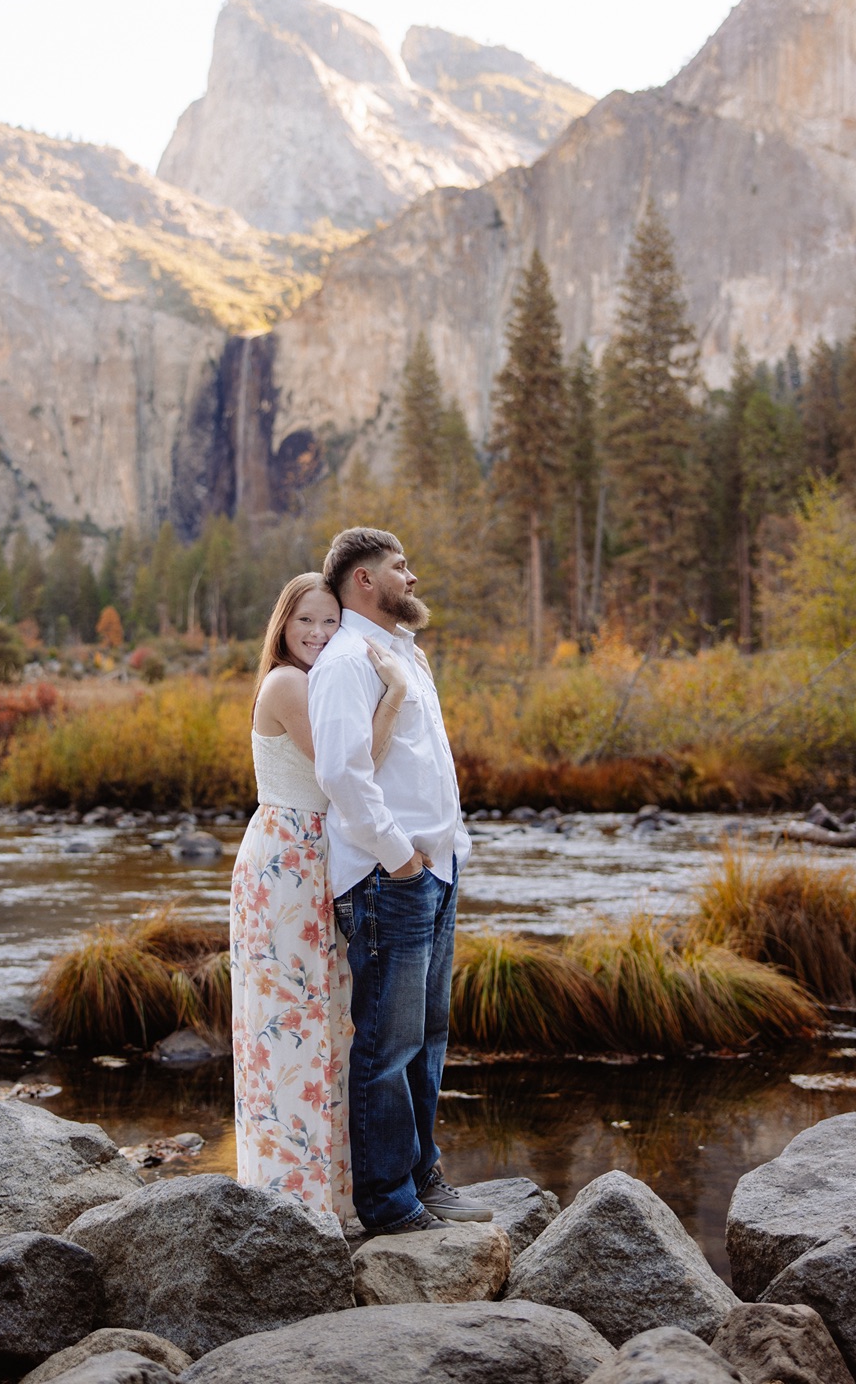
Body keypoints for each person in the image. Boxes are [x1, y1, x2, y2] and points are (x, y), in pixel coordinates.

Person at [308, 527, 493, 1234]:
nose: (411, 578)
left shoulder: (404, 654)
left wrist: (450, 852)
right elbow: (342, 774)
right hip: (390, 881)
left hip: (435, 872)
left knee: (430, 1035)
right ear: (364, 579)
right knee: (388, 1047)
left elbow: (425, 762)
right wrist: (400, 860)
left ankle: (421, 1178)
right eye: (399, 566)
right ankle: (388, 1205)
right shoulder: (345, 662)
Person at [229, 571, 407, 1221]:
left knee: (330, 1017)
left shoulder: (319, 682)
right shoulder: (287, 684)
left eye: (331, 620)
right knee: (290, 1024)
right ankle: (290, 1200)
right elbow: (350, 769)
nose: (319, 632)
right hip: (286, 859)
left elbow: (357, 769)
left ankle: (331, 1195)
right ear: (283, 624)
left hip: (317, 856)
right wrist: (394, 696)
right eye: (305, 619)